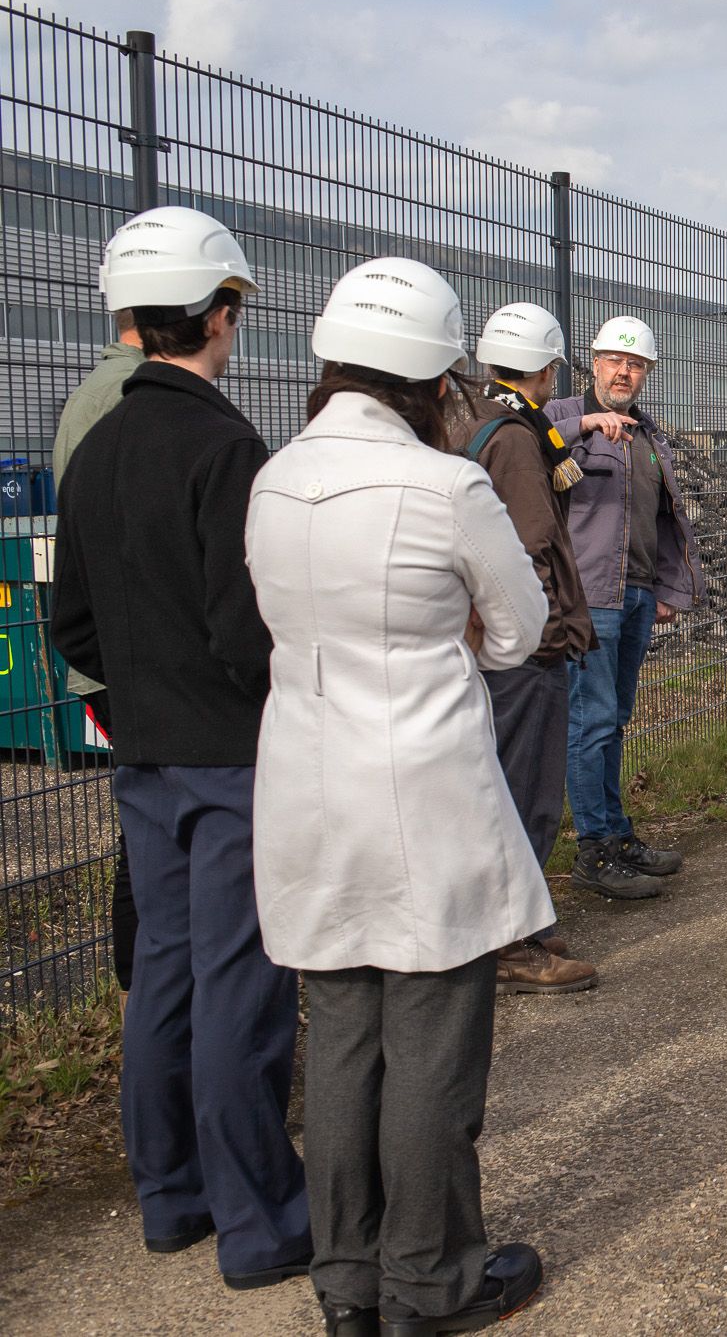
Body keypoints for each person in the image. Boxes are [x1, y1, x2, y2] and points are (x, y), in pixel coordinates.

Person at [245, 257, 549, 1335]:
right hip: (422, 792)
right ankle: (431, 1282)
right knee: (430, 1049)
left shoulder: (273, 478)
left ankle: (349, 1285)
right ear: (432, 376)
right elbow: (516, 635)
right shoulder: (446, 486)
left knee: (339, 1046)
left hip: (305, 790)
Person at [50, 205, 311, 1288]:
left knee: (162, 972)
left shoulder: (98, 444)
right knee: (239, 981)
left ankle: (171, 1201)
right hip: (231, 756)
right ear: (218, 313)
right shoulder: (224, 445)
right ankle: (261, 1225)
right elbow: (242, 630)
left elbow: (70, 624)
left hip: (142, 751)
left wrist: (140, 704)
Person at [458, 302, 606, 989]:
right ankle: (511, 942)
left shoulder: (479, 420)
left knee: (508, 782)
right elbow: (531, 547)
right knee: (526, 788)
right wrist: (549, 632)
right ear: (548, 369)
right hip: (526, 647)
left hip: (496, 642)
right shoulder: (518, 438)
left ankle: (520, 922)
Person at [542, 317, 704, 894]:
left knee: (615, 719)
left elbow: (666, 522)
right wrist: (584, 423)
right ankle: (594, 849)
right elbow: (513, 434)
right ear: (593, 362)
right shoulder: (563, 417)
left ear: (647, 373)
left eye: (635, 364)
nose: (624, 371)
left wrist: (665, 589)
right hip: (588, 596)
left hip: (635, 596)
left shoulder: (648, 437)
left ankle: (616, 832)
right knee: (591, 722)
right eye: (614, 360)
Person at [52, 302, 143, 1000]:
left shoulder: (88, 393)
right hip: (142, 656)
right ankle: (148, 992)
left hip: (106, 652)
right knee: (149, 835)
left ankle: (144, 1001)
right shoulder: (137, 399)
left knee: (141, 821)